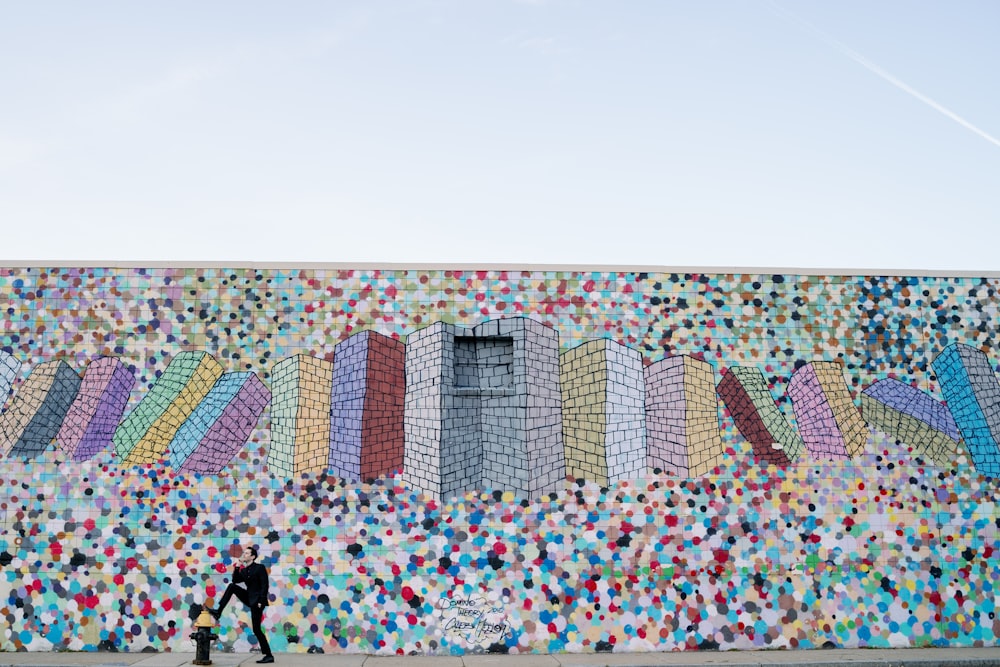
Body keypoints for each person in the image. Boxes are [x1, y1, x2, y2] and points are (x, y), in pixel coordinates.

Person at [209, 546, 274, 663]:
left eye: (247, 553)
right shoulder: (244, 570)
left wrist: (261, 601)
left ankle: (268, 655)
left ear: (253, 556)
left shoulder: (259, 568)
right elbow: (235, 580)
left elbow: (265, 585)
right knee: (232, 586)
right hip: (249, 597)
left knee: (257, 629)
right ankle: (218, 611)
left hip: (258, 601)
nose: (244, 555)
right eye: (244, 553)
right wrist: (237, 566)